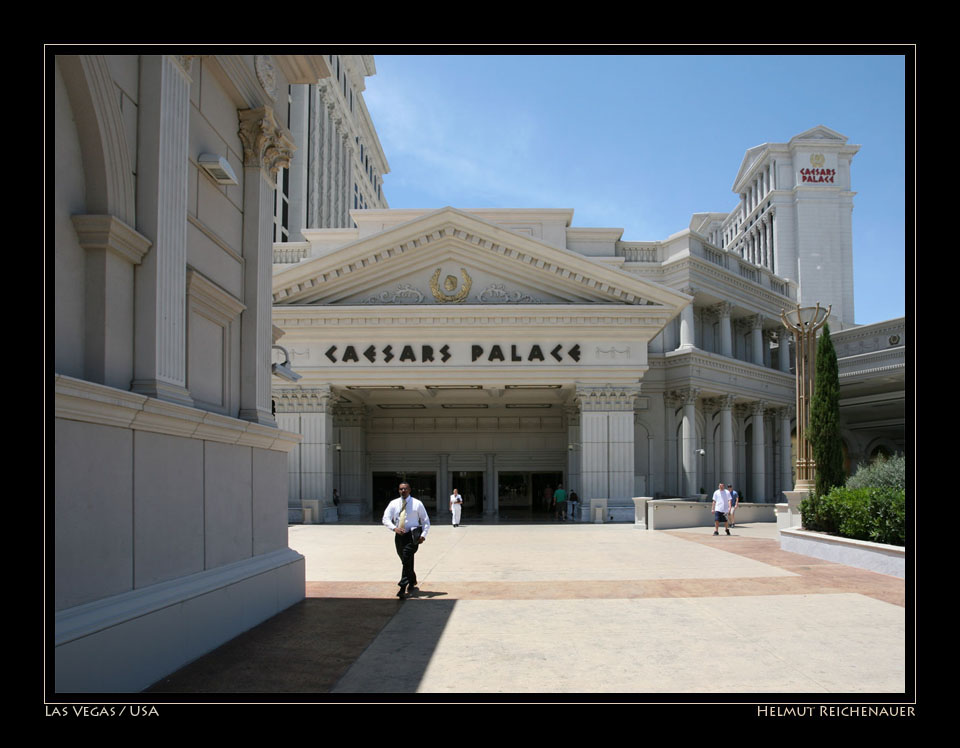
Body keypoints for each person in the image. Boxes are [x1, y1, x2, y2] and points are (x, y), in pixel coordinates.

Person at [382, 483, 431, 599]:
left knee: (406, 556)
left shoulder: (417, 503)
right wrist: (394, 528)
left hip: (412, 536)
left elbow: (425, 520)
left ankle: (402, 587)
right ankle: (412, 579)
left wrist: (423, 535)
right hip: (399, 536)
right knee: (405, 560)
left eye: (405, 489)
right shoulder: (393, 503)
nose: (403, 490)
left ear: (409, 490)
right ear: (398, 490)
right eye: (401, 489)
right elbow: (385, 518)